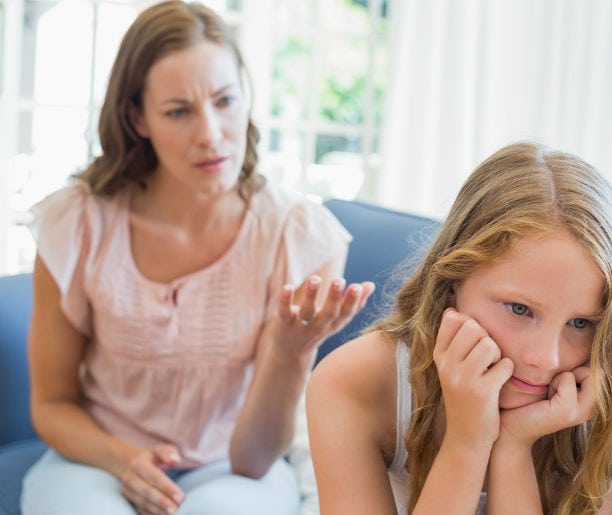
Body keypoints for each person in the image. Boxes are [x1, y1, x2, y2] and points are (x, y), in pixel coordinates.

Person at [21, 2, 374, 515]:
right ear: (137, 117)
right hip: (96, 459)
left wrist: (289, 350)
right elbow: (51, 405)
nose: (211, 132)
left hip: (230, 467)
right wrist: (123, 460)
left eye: (225, 100)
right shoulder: (75, 224)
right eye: (178, 111)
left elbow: (254, 460)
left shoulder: (299, 235)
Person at [307, 141, 612, 515]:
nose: (544, 359)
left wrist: (512, 448)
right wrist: (467, 441)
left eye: (580, 323)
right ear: (451, 283)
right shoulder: (354, 382)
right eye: (519, 309)